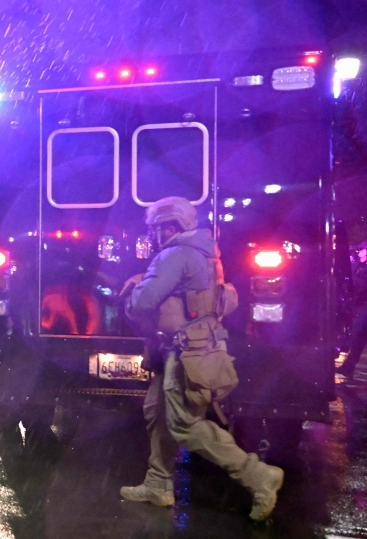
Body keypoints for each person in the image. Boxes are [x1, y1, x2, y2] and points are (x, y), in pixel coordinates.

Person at [119, 196, 283, 522]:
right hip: (193, 348)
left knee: (185, 426)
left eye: (155, 229)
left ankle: (258, 476)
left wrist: (134, 286)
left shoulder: (175, 254)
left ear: (169, 227)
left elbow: (143, 302)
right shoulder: (205, 251)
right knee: (158, 411)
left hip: (185, 353)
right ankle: (158, 484)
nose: (153, 235)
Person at [339, 240, 367, 377]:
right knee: (357, 337)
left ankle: (348, 367)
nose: (359, 252)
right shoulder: (360, 266)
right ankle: (348, 367)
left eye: (362, 250)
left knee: (358, 335)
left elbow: (359, 286)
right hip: (361, 306)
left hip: (365, 306)